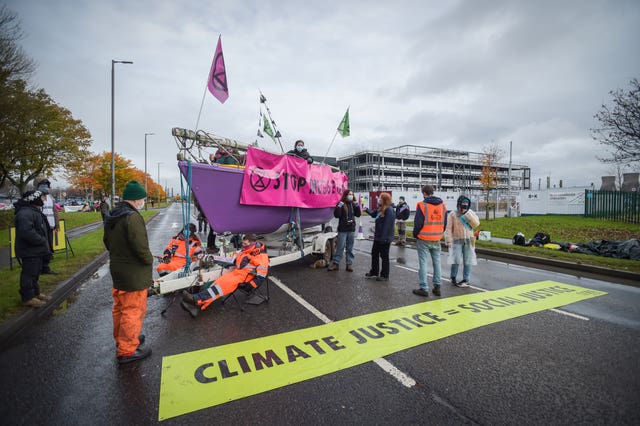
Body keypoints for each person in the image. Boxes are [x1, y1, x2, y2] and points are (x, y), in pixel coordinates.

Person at [103, 180, 153, 364]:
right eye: (143, 199)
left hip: (117, 269)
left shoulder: (113, 215)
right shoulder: (132, 217)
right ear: (137, 199)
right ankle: (127, 350)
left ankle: (123, 339)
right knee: (133, 310)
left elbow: (107, 242)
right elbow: (140, 247)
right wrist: (149, 260)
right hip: (133, 273)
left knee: (120, 308)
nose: (143, 202)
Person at [182, 233, 269, 311]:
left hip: (245, 278)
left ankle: (195, 299)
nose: (243, 245)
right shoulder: (247, 250)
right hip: (237, 274)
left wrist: (250, 285)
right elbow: (238, 261)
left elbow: (262, 275)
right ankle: (198, 304)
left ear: (253, 243)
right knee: (218, 283)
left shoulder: (261, 255)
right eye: (243, 243)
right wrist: (223, 261)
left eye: (245, 244)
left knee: (221, 286)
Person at [13, 190, 52, 308]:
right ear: (34, 199)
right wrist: (41, 240)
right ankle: (28, 298)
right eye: (42, 197)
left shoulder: (33, 211)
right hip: (29, 250)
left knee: (35, 272)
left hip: (36, 249)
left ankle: (35, 293)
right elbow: (26, 232)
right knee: (29, 273)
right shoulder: (25, 213)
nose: (44, 199)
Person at [412, 184, 447, 297]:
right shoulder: (442, 206)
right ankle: (437, 287)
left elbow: (418, 223)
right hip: (437, 238)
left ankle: (424, 288)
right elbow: (444, 223)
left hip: (423, 238)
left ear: (424, 193)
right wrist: (440, 233)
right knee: (437, 263)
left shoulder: (422, 205)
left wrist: (415, 235)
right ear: (433, 192)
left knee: (423, 263)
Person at [445, 195, 480, 288]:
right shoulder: (453, 214)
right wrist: (448, 241)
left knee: (468, 260)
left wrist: (467, 214)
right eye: (463, 204)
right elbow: (448, 228)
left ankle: (466, 279)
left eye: (466, 204)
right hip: (457, 239)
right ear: (459, 204)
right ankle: (453, 277)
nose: (465, 205)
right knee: (456, 259)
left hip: (469, 239)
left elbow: (476, 224)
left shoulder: (471, 213)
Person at [364, 193, 395, 281]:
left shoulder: (389, 210)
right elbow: (374, 214)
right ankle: (374, 271)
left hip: (384, 238)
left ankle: (384, 275)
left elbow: (387, 225)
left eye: (380, 198)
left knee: (384, 256)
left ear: (384, 200)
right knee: (374, 254)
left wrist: (384, 238)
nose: (378, 199)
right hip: (378, 237)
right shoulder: (380, 208)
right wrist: (366, 210)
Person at [328, 189, 361, 272]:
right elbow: (337, 215)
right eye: (349, 194)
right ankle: (336, 263)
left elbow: (358, 214)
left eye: (352, 194)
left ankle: (349, 264)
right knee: (340, 247)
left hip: (351, 229)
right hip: (343, 229)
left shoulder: (353, 204)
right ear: (345, 195)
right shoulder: (341, 204)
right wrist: (339, 206)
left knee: (350, 248)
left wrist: (357, 206)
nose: (351, 196)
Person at [36, 179, 59, 275]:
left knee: (49, 246)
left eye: (46, 185)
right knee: (42, 247)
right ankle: (40, 267)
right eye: (43, 185)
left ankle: (46, 267)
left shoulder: (50, 197)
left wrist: (56, 224)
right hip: (41, 227)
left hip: (50, 226)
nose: (45, 187)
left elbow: (55, 211)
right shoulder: (36, 196)